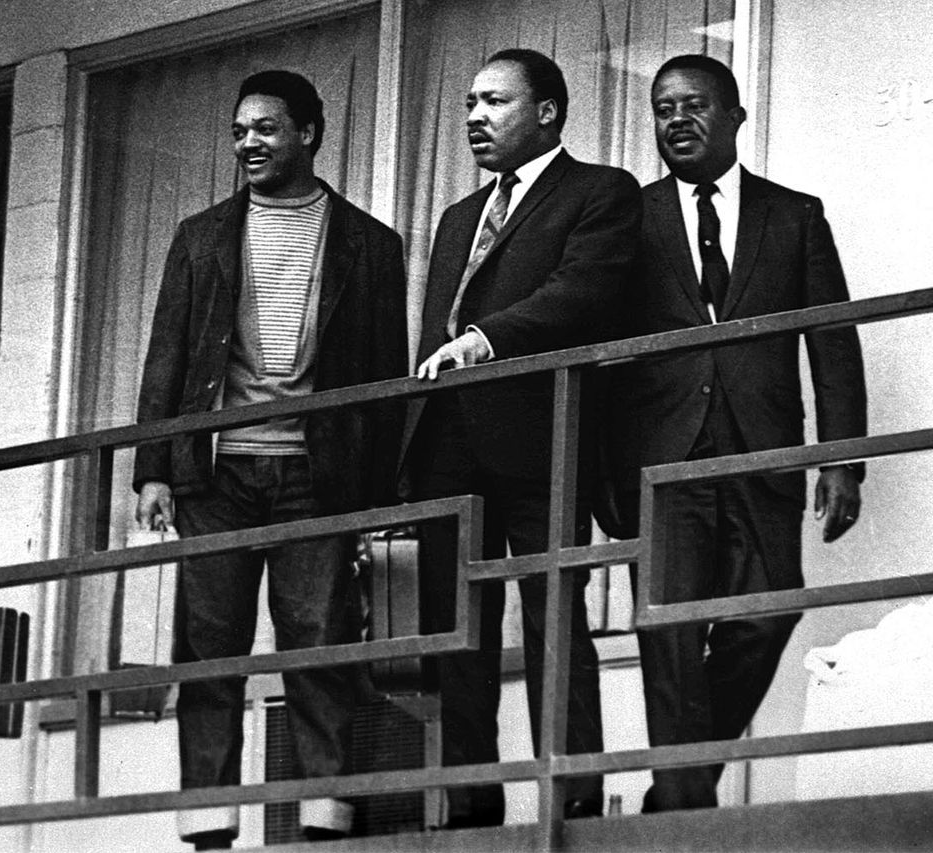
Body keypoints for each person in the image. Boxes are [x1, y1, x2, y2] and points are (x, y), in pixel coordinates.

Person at [132, 70, 407, 849]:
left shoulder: (370, 243)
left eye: (266, 129)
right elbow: (168, 357)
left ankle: (324, 818)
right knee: (207, 648)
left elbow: (384, 380)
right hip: (215, 476)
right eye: (238, 130)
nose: (248, 142)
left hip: (318, 480)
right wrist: (153, 466)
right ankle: (209, 825)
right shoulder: (200, 235)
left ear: (309, 134)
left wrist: (376, 500)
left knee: (320, 645)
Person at [604, 54, 866, 812]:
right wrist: (603, 480)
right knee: (670, 635)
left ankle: (676, 790)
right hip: (662, 461)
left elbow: (832, 339)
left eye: (695, 105)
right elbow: (603, 355)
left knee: (770, 609)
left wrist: (842, 459)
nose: (677, 119)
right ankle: (684, 811)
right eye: (662, 108)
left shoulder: (795, 215)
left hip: (763, 449)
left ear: (736, 116)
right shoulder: (631, 219)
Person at [402, 48, 641, 826]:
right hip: (449, 447)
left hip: (546, 439)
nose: (474, 116)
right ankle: (470, 804)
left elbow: (581, 294)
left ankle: (569, 800)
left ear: (546, 111)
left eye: (494, 102)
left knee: (554, 623)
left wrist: (483, 340)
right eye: (469, 101)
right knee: (457, 635)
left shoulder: (599, 192)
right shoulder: (455, 218)